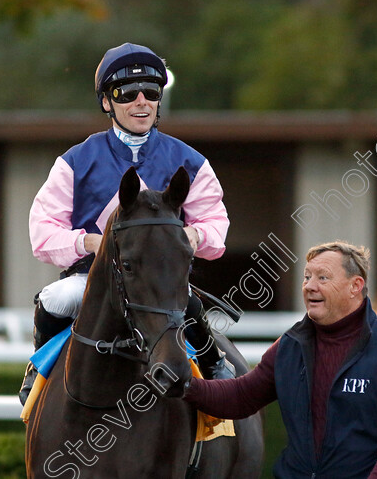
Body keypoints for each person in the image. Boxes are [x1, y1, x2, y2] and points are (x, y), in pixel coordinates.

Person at [19, 42, 234, 404]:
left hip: (160, 280)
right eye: (126, 93)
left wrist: (195, 234)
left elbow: (215, 220)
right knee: (56, 298)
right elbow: (42, 231)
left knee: (189, 303)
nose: (141, 101)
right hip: (92, 279)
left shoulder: (190, 161)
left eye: (151, 92)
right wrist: (88, 243)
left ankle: (217, 367)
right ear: (107, 102)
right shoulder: (75, 161)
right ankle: (37, 373)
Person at [183, 241, 377, 478]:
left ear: (355, 286)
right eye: (307, 277)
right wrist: (185, 385)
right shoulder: (291, 344)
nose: (310, 286)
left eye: (323, 278)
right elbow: (241, 396)